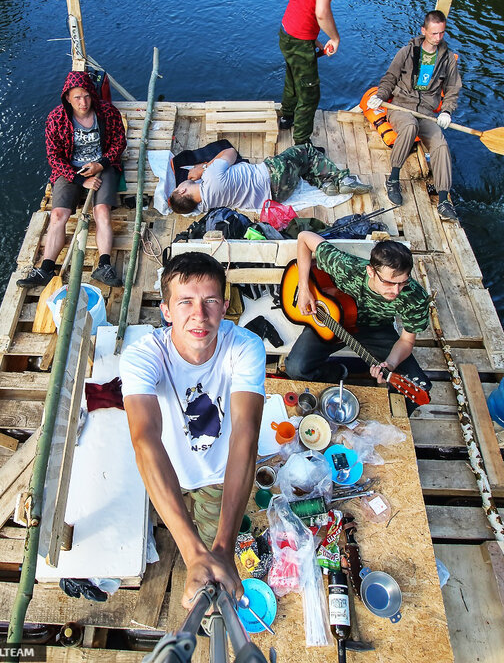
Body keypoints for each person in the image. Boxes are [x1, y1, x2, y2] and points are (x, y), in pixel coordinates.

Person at [120, 252, 266, 606]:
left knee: (214, 526)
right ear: (166, 310)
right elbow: (144, 439)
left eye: (210, 301)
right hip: (166, 468)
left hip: (218, 474)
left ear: (226, 304)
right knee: (176, 523)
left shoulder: (246, 347)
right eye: (185, 302)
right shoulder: (142, 355)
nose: (199, 316)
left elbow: (245, 438)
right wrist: (193, 554)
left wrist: (223, 549)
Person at [288, 231, 432, 398]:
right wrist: (304, 288)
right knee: (295, 368)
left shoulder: (415, 298)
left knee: (418, 386)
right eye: (388, 282)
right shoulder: (346, 267)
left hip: (376, 328)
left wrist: (390, 364)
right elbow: (304, 237)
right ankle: (337, 373)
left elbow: (406, 340)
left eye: (402, 283)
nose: (396, 291)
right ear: (370, 271)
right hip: (333, 318)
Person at [18, 71, 126, 288]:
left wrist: (101, 164)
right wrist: (78, 181)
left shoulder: (107, 112)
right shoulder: (56, 119)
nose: (83, 102)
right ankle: (46, 269)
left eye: (86, 96)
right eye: (77, 97)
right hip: (70, 169)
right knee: (58, 215)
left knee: (102, 211)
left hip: (101, 165)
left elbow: (119, 142)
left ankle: (104, 265)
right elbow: (54, 157)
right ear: (67, 98)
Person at [367, 10, 463, 221]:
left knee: (440, 144)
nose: (438, 38)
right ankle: (393, 179)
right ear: (424, 31)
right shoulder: (407, 52)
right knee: (409, 127)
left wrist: (446, 111)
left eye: (442, 33)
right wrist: (380, 96)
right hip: (401, 106)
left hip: (427, 113)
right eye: (434, 33)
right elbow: (389, 78)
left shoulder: (448, 59)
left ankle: (444, 198)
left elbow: (453, 90)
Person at [278, 0, 366, 146]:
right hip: (298, 40)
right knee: (309, 94)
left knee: (292, 79)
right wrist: (335, 38)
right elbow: (321, 11)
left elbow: (302, 2)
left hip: (289, 33)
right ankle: (301, 146)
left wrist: (315, 41)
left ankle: (287, 118)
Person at [166, 140, 370, 215]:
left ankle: (326, 185)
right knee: (306, 151)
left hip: (276, 197)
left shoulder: (207, 205)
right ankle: (338, 179)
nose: (181, 183)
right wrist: (202, 167)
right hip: (275, 175)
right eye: (179, 186)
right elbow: (230, 152)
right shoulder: (211, 175)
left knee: (302, 168)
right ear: (182, 190)